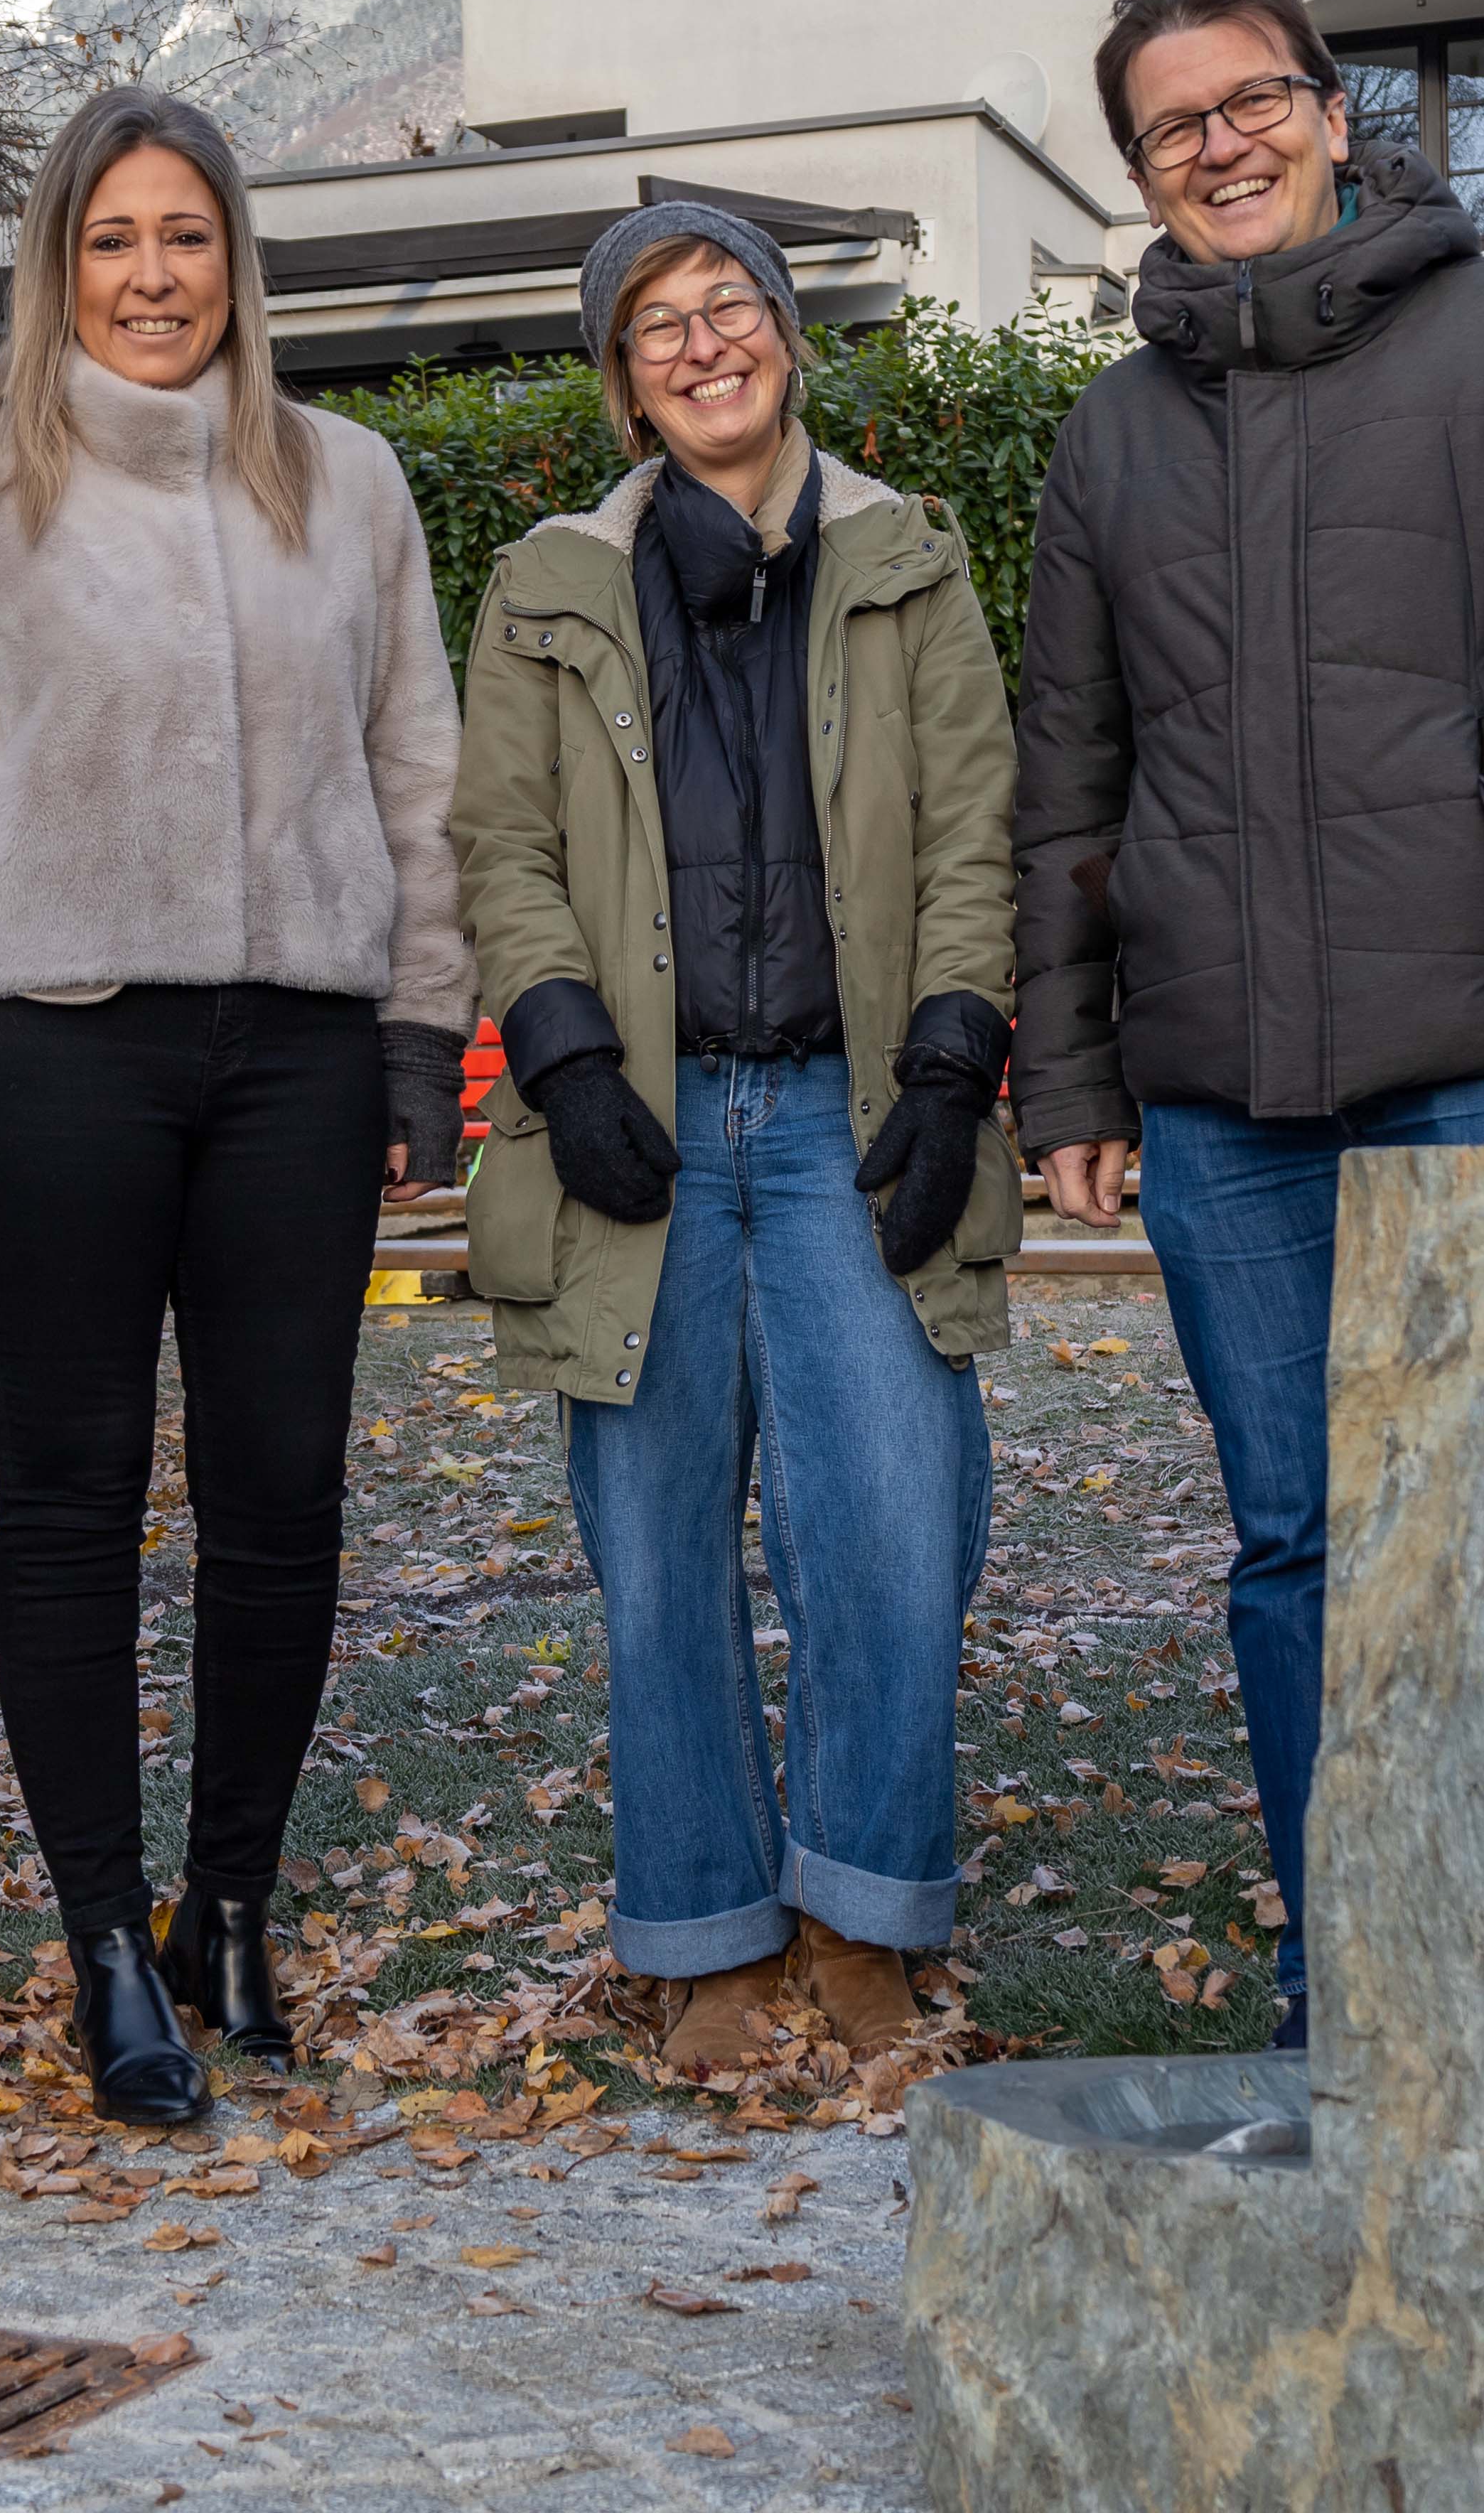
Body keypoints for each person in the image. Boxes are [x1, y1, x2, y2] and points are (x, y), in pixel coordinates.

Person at [1011, 0, 1484, 2053]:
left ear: (1334, 114)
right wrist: (1070, 1066)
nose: (1220, 146)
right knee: (1297, 1546)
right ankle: (1356, 1987)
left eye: (1252, 104)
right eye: (1174, 129)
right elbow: (1072, 765)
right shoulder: (1116, 432)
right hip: (1226, 1101)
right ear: (1139, 173)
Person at [0, 87, 471, 2129]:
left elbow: (419, 775)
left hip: (295, 1054)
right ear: (58, 264)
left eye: (187, 238)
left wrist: (420, 1038)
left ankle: (230, 1911)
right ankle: (105, 1940)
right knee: (73, 1504)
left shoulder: (343, 483)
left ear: (235, 263)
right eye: (113, 240)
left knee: (284, 1499)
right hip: (48, 1052)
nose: (154, 276)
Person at [451, 203, 1019, 2075]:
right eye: (661, 327)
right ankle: (704, 1936)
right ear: (622, 381)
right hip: (651, 1121)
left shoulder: (905, 559)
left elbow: (968, 831)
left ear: (785, 334)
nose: (705, 346)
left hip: (851, 1113)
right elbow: (504, 844)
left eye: (732, 310)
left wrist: (948, 1066)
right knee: (660, 1539)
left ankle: (865, 1909)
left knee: (889, 1528)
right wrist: (565, 1059)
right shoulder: (547, 583)